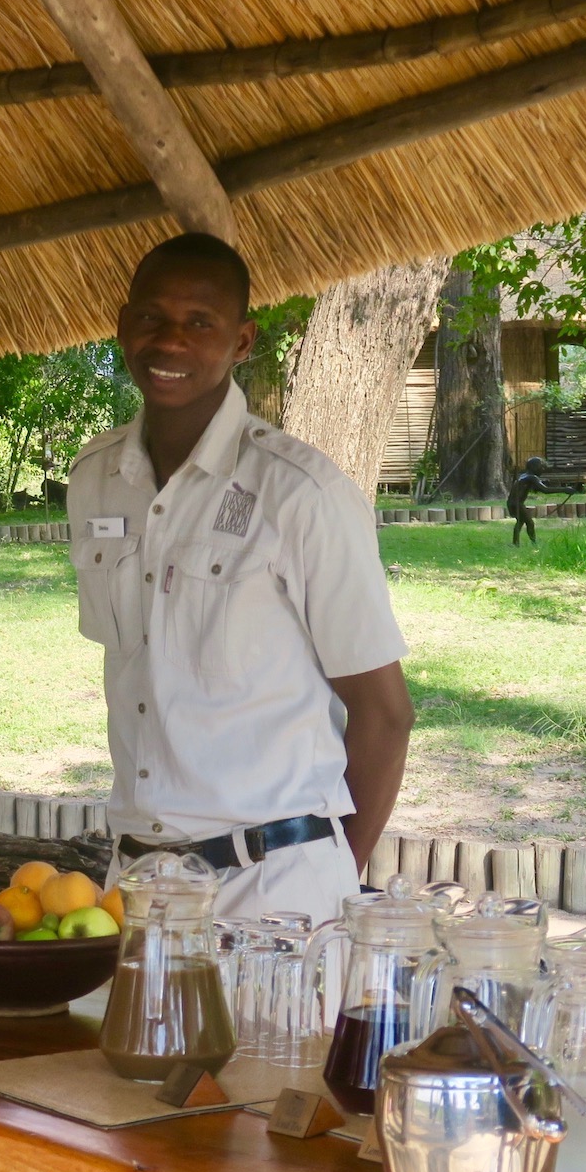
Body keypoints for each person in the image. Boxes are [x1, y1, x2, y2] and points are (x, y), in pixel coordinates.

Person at [68, 233, 414, 925]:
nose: (170, 343)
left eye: (200, 323)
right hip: (134, 885)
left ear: (243, 341)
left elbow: (385, 715)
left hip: (272, 892)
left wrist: (333, 877)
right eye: (151, 319)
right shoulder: (96, 479)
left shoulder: (299, 494)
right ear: (121, 324)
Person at [506, 455, 580, 546]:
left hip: (511, 503)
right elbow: (545, 490)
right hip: (517, 504)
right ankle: (533, 542)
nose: (543, 470)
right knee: (530, 523)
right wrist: (564, 490)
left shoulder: (524, 475)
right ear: (535, 467)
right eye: (542, 468)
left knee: (521, 521)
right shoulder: (532, 477)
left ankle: (515, 543)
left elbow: (535, 488)